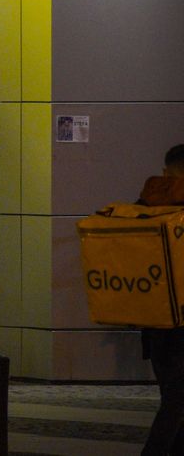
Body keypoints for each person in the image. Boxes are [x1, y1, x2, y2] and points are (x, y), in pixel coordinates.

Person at [139, 145, 184, 456]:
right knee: (177, 403)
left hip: (157, 319)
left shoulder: (145, 204)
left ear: (168, 170)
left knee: (174, 398)